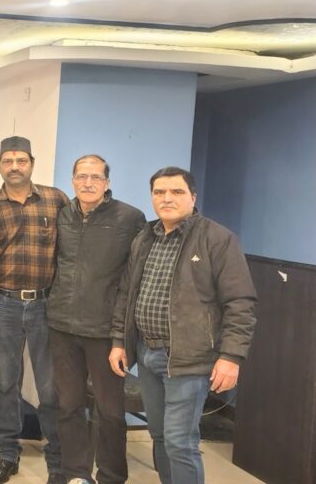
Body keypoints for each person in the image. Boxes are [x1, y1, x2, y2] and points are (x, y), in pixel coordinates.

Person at [109, 167, 256, 484]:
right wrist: (119, 341)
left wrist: (231, 357)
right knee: (159, 435)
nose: (167, 198)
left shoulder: (217, 239)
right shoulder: (144, 238)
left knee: (180, 442)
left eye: (176, 191)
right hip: (146, 352)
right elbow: (126, 294)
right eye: (159, 192)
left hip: (188, 358)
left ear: (192, 197)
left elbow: (240, 302)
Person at [0, 136, 68, 484]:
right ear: (0, 165)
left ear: (32, 163)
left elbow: (69, 254)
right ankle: (7, 454)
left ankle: (57, 459)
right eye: (8, 161)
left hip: (47, 305)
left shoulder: (56, 200)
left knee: (50, 386)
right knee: (7, 383)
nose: (15, 167)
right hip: (4, 304)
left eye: (21, 160)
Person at [50, 155, 145, 484]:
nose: (88, 183)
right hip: (61, 326)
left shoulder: (130, 218)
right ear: (72, 181)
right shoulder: (63, 215)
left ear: (107, 183)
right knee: (68, 406)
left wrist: (121, 335)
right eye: (81, 176)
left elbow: (133, 280)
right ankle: (76, 473)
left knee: (110, 411)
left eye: (95, 177)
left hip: (105, 331)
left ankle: (111, 476)